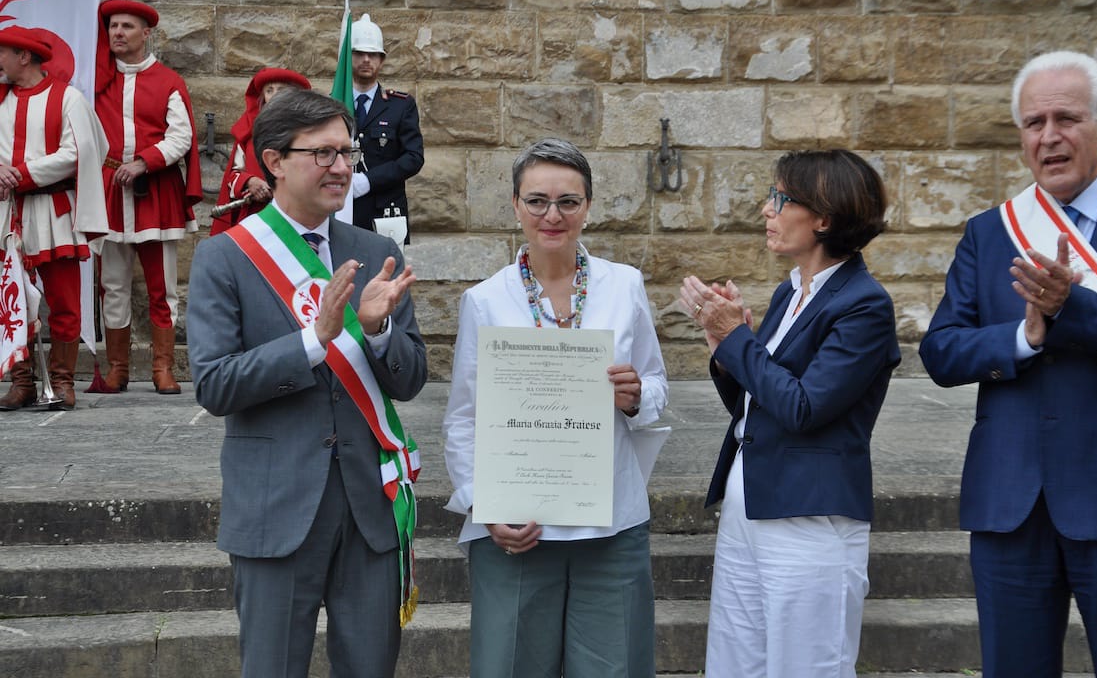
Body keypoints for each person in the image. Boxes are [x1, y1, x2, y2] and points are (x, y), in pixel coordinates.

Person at [919, 51, 1097, 676]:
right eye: (1033, 123)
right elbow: (941, 352)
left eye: (1066, 119)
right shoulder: (989, 232)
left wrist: (1073, 308)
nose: (1048, 136)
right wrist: (1023, 338)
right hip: (1010, 503)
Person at [186, 89, 427, 677]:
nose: (342, 167)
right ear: (274, 161)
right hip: (276, 506)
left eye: (346, 153)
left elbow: (412, 378)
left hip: (370, 510)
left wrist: (374, 333)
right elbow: (215, 385)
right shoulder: (225, 258)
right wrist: (313, 341)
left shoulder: (376, 251)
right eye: (323, 154)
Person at [442, 138, 669, 677]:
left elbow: (657, 384)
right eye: (537, 200)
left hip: (609, 524)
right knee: (510, 665)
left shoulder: (624, 285)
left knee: (613, 666)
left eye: (568, 201)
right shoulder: (486, 299)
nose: (553, 215)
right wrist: (484, 504)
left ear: (588, 206)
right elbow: (464, 418)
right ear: (516, 205)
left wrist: (636, 396)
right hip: (520, 526)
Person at [680, 150, 900, 678]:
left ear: (823, 217)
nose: (766, 209)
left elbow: (805, 408)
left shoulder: (864, 305)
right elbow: (758, 410)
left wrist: (739, 341)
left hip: (808, 518)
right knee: (735, 664)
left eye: (780, 198)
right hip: (750, 505)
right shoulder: (790, 292)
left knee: (805, 667)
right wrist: (727, 349)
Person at [93, 0, 202, 395]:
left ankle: (162, 368)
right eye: (113, 27)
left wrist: (144, 162)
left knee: (162, 286)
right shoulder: (96, 80)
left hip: (154, 193)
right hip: (109, 195)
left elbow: (181, 135)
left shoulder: (168, 80)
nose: (118, 33)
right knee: (114, 285)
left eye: (126, 26)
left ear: (146, 33)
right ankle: (118, 367)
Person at [0, 26, 109, 411]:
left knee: (64, 302)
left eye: (3, 53)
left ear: (23, 57)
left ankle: (62, 382)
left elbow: (80, 151)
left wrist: (22, 173)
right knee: (12, 301)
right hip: (9, 215)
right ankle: (23, 381)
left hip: (53, 211)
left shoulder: (68, 99)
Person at [348, 13, 423, 244]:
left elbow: (413, 157)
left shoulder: (400, 106)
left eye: (373, 55)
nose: (366, 60)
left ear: (381, 61)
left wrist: (368, 180)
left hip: (384, 214)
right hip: (343, 211)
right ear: (348, 58)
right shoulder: (332, 105)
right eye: (360, 54)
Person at [210, 67, 311, 235]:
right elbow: (233, 174)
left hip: (297, 216)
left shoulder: (309, 130)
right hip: (255, 217)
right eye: (269, 90)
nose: (275, 95)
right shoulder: (249, 132)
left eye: (281, 89)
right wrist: (250, 182)